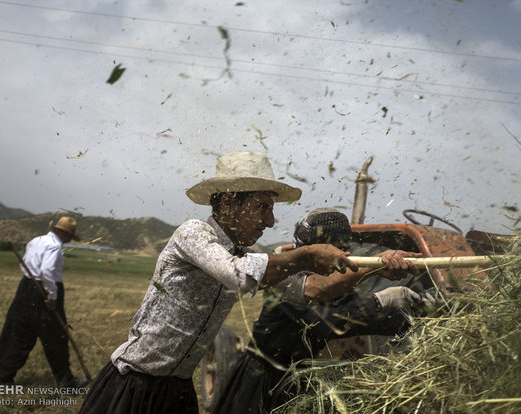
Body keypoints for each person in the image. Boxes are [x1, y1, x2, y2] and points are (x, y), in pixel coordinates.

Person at [80, 152, 388, 414]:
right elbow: (237, 275)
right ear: (229, 204)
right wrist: (305, 255)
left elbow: (311, 289)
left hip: (177, 389)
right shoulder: (194, 234)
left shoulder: (246, 256)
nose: (270, 221)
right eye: (263, 208)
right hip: (134, 384)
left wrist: (374, 270)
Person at [212, 208, 434, 414]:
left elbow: (365, 323)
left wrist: (419, 311)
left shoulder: (338, 285)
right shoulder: (288, 282)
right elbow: (324, 323)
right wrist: (380, 299)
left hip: (302, 380)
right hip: (264, 382)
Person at [0, 216, 87, 388]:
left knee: (18, 332)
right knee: (56, 337)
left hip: (25, 287)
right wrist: (51, 296)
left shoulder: (36, 240)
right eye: (68, 236)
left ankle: (4, 378)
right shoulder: (54, 246)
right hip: (43, 291)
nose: (68, 240)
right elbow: (46, 270)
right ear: (63, 233)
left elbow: (27, 265)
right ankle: (66, 382)